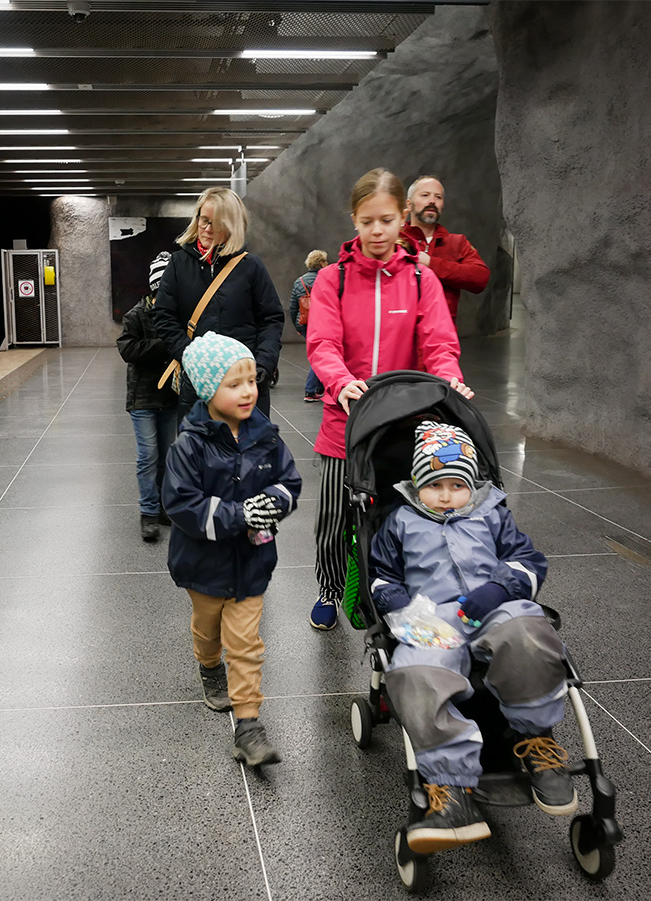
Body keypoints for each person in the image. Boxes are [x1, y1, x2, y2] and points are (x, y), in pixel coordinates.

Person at [367, 421, 576, 853]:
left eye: (456, 485)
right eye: (434, 486)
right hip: (435, 619)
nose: (445, 496)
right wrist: (399, 605)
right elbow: (382, 576)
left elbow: (526, 561)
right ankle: (451, 789)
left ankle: (534, 738)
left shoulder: (492, 512)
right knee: (415, 673)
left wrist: (500, 587)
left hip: (496, 604)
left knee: (529, 636)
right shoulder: (400, 521)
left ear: (473, 484)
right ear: (416, 485)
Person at [305, 168, 474, 631]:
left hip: (405, 425)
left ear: (403, 217)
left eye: (385, 220)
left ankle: (395, 588)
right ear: (354, 222)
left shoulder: (422, 280)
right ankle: (329, 588)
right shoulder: (332, 281)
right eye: (366, 222)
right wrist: (341, 384)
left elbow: (439, 344)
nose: (376, 231)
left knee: (401, 515)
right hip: (347, 426)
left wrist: (449, 381)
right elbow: (323, 344)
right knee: (335, 519)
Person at [162, 331, 302, 766]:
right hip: (202, 565)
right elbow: (181, 504)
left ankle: (248, 724)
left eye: (251, 381)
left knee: (245, 643)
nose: (247, 392)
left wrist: (275, 502)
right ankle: (208, 667)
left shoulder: (266, 436)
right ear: (208, 390)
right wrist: (240, 515)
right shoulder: (189, 445)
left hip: (252, 564)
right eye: (233, 384)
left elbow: (289, 482)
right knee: (208, 632)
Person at [151, 186, 284, 420]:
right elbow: (164, 316)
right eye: (204, 220)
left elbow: (271, 319)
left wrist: (263, 362)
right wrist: (190, 356)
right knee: (198, 451)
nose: (207, 229)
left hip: (244, 381)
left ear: (232, 225)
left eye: (217, 223)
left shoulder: (251, 266)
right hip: (198, 382)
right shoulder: (178, 264)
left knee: (248, 452)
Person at [117, 251, 178, 542]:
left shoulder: (178, 316)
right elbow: (127, 350)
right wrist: (164, 346)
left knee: (167, 456)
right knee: (148, 455)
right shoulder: (136, 315)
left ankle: (164, 507)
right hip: (142, 398)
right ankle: (149, 513)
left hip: (170, 397)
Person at [400, 176, 490, 322]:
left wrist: (432, 264)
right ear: (409, 205)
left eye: (438, 197)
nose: (432, 201)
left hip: (442, 334)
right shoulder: (396, 240)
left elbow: (480, 278)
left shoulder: (456, 242)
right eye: (425, 195)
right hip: (402, 331)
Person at [289, 249, 328, 402]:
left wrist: (297, 325)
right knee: (320, 355)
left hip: (305, 322)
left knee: (317, 353)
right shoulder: (327, 278)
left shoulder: (300, 281)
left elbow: (293, 307)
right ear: (321, 262)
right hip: (322, 322)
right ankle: (310, 391)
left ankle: (318, 388)